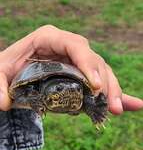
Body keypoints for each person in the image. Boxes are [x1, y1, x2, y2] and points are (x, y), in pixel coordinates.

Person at [0, 25, 143, 113]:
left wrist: (94, 109)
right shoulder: (29, 89)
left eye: (77, 89)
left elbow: (89, 95)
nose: (72, 91)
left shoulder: (80, 91)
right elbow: (21, 91)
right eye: (60, 89)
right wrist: (34, 99)